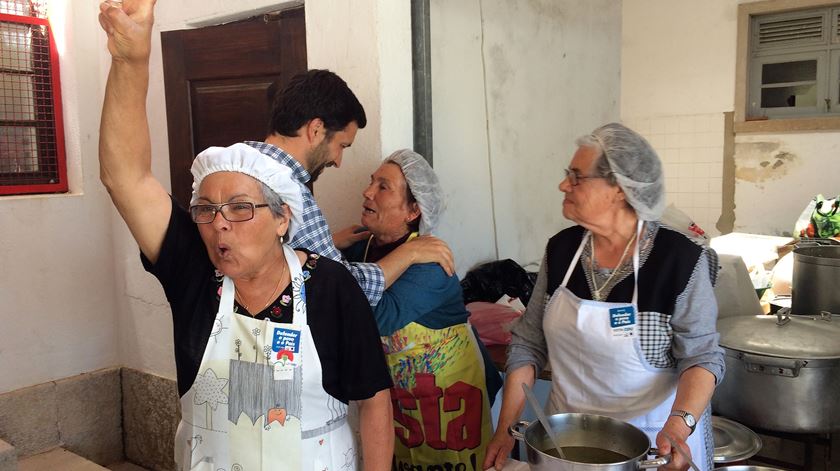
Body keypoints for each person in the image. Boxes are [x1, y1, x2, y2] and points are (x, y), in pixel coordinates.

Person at [98, 2, 393, 470]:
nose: (220, 223)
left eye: (240, 208)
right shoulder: (195, 275)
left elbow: (375, 402)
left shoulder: (331, 287)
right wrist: (130, 60)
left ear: (282, 220)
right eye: (207, 209)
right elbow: (125, 177)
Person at [483, 123, 725, 471]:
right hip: (566, 444)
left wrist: (679, 426)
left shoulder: (680, 260)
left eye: (576, 177)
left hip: (656, 445)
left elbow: (702, 357)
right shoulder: (562, 250)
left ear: (619, 189)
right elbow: (527, 343)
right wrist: (506, 428)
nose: (563, 184)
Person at [338, 150, 503, 470]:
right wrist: (331, 245)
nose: (367, 191)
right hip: (399, 403)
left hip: (450, 401)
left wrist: (412, 254)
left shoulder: (432, 265)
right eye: (371, 181)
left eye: (383, 186)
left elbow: (373, 319)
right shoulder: (361, 247)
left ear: (413, 210)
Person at [246, 72, 454, 308]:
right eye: (341, 146)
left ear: (414, 211)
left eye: (383, 187)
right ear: (315, 129)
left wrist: (327, 244)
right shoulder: (292, 196)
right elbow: (344, 291)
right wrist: (410, 253)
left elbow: (274, 258)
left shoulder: (233, 167)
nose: (337, 161)